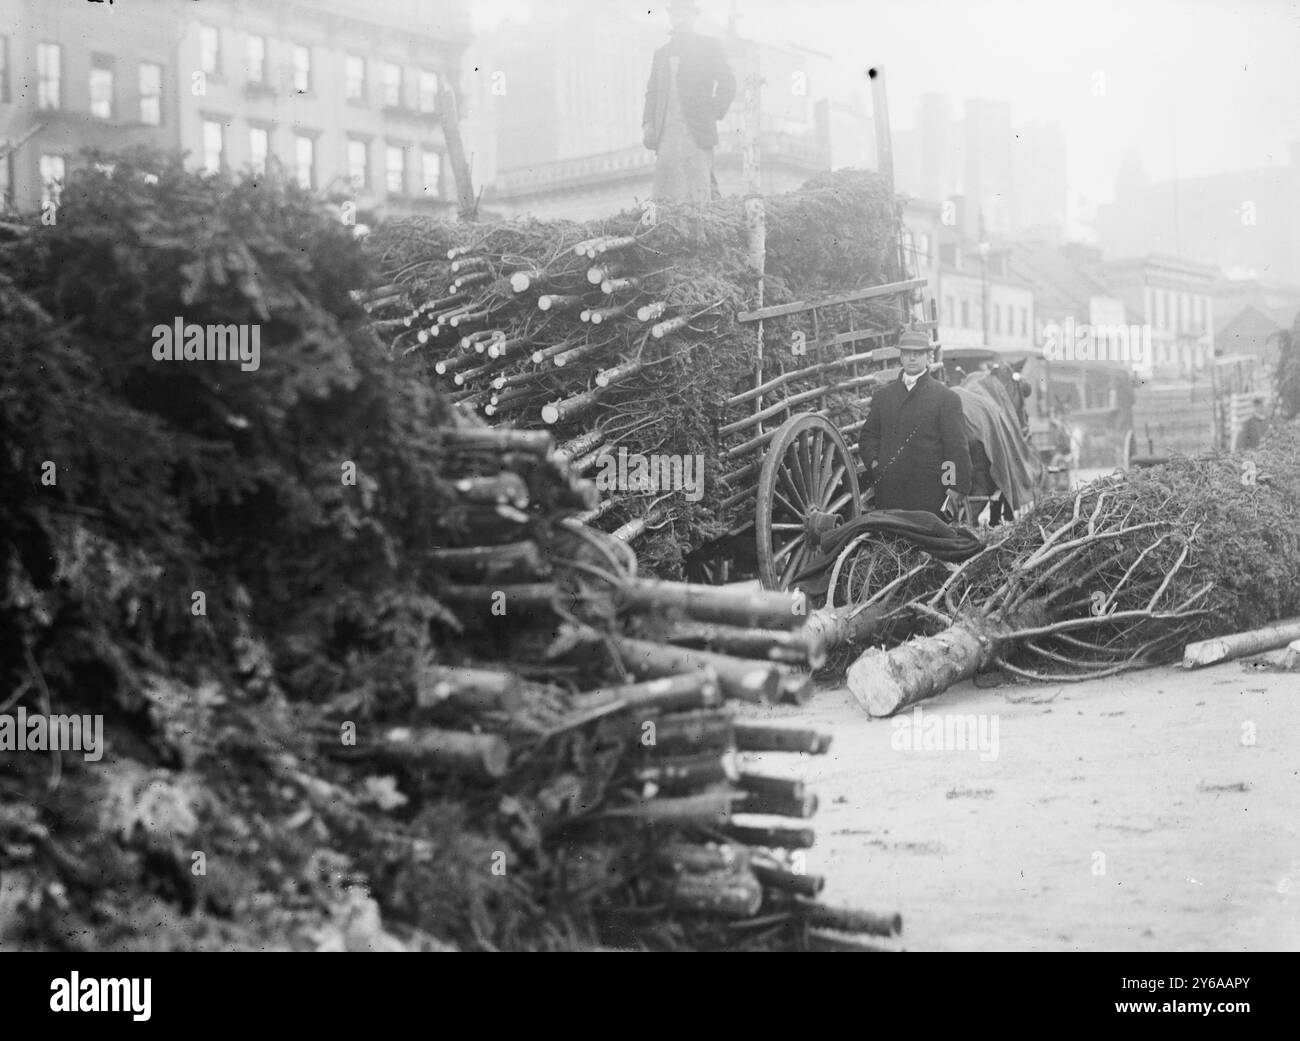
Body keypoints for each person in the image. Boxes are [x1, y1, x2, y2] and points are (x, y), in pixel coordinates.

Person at [860, 331, 971, 518]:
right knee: (890, 544)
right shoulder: (883, 396)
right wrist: (876, 464)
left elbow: (955, 448)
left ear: (928, 357)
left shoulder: (945, 398)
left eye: (918, 353)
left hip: (929, 495)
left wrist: (951, 487)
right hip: (890, 491)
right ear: (901, 356)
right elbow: (868, 436)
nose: (912, 358)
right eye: (907, 353)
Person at [641, 0, 736, 204]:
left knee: (699, 191)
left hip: (696, 131)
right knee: (666, 196)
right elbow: (652, 92)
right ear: (671, 17)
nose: (681, 19)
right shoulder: (661, 54)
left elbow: (728, 82)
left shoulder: (707, 47)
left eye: (685, 14)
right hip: (667, 134)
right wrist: (648, 123)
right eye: (676, 14)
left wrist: (713, 112)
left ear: (694, 17)